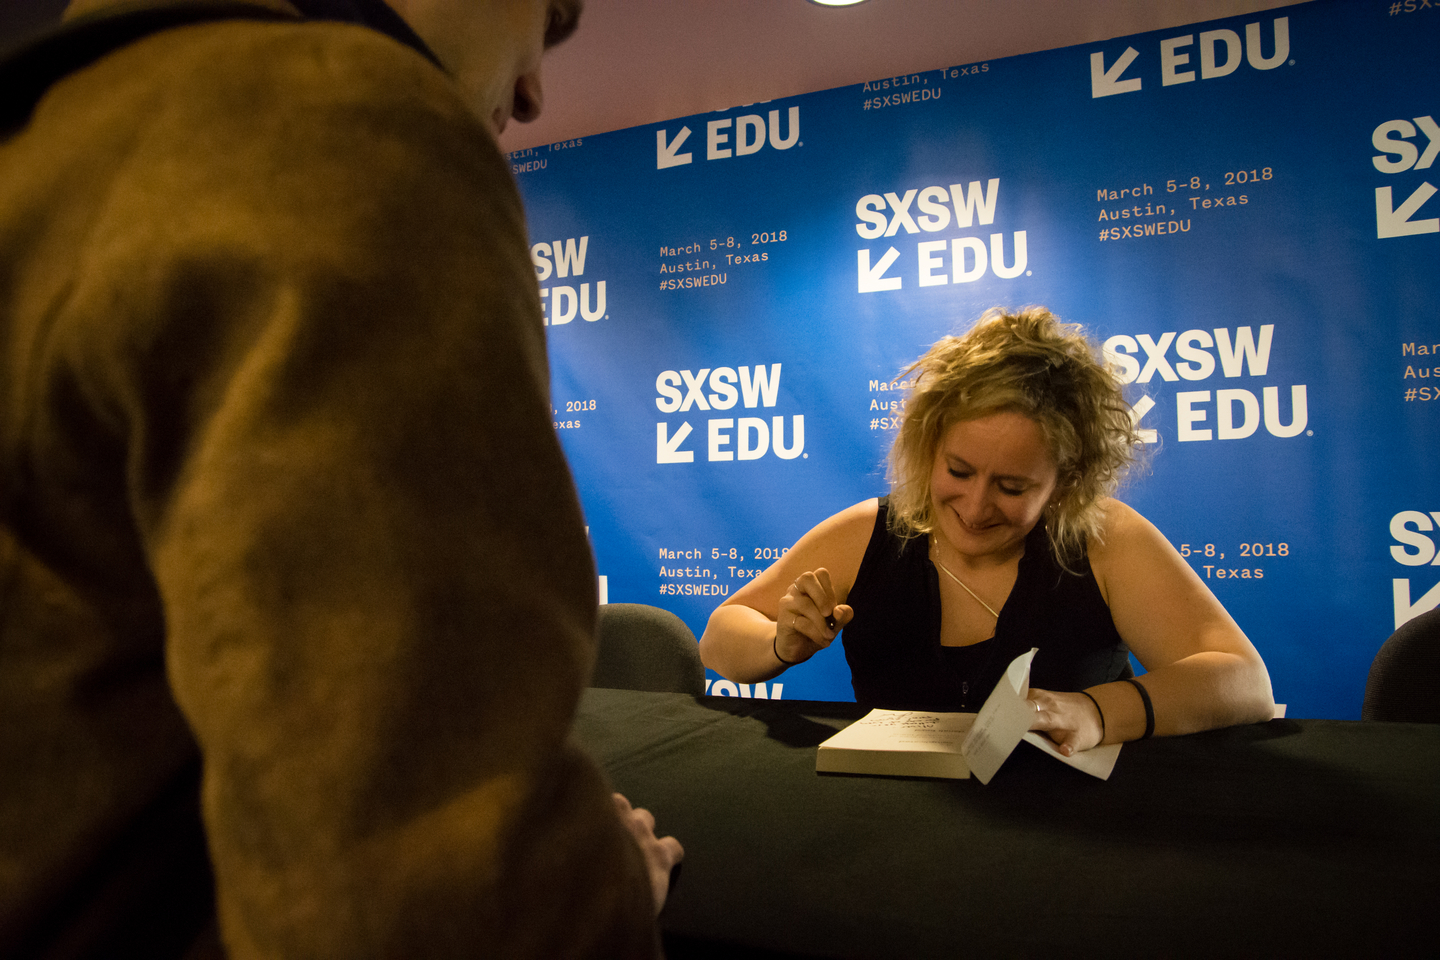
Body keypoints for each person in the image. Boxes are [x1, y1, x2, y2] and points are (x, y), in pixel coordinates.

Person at [0, 0, 680, 957]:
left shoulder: (49, 146)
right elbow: (433, 890)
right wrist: (601, 894)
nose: (532, 92)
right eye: (547, 19)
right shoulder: (334, 124)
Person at [700, 306, 1275, 754]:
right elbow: (720, 637)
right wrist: (780, 644)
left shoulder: (1104, 540)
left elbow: (1244, 682)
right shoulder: (869, 532)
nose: (975, 507)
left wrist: (1097, 714)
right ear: (929, 449)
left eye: (1013, 487)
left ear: (1065, 482)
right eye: (958, 471)